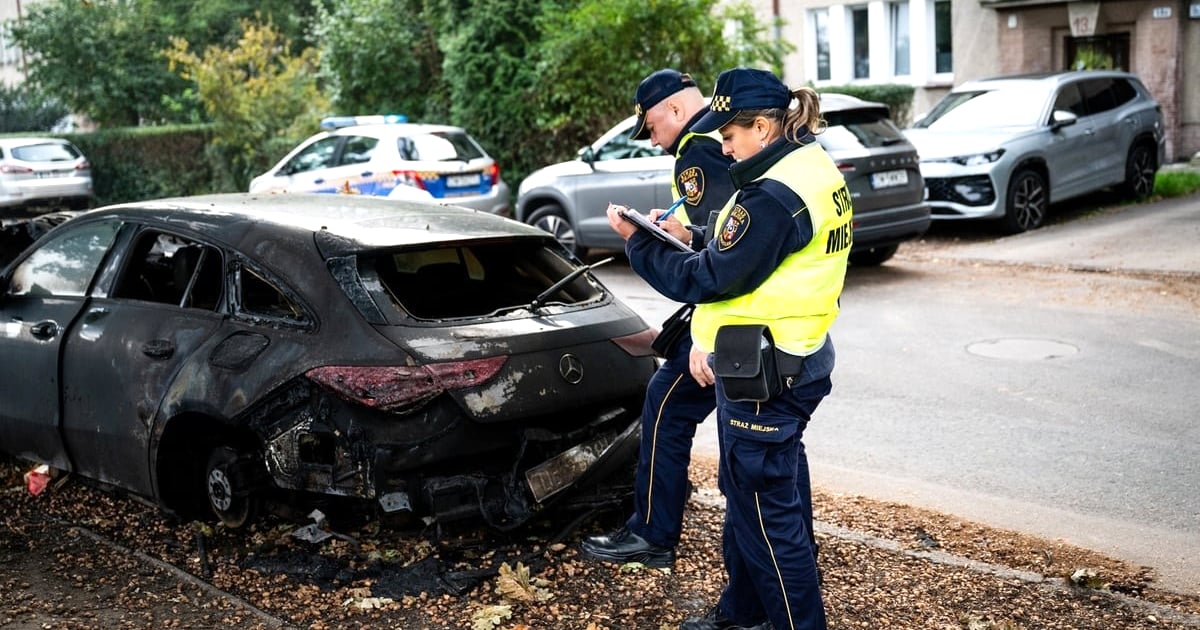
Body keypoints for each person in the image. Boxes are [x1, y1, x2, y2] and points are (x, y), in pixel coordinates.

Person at [605, 67, 851, 630]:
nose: (722, 146)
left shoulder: (770, 196)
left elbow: (708, 279)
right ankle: (742, 616)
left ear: (762, 127)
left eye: (730, 135)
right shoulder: (810, 166)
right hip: (791, 354)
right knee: (752, 503)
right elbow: (751, 271)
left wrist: (640, 243)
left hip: (768, 373)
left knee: (769, 523)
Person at [579, 68, 736, 568]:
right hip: (754, 319)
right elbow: (725, 228)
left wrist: (641, 239)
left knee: (665, 404)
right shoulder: (724, 132)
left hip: (728, 318)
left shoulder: (697, 149)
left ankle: (651, 535)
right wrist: (685, 233)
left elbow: (719, 262)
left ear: (673, 109)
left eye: (651, 125)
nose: (653, 138)